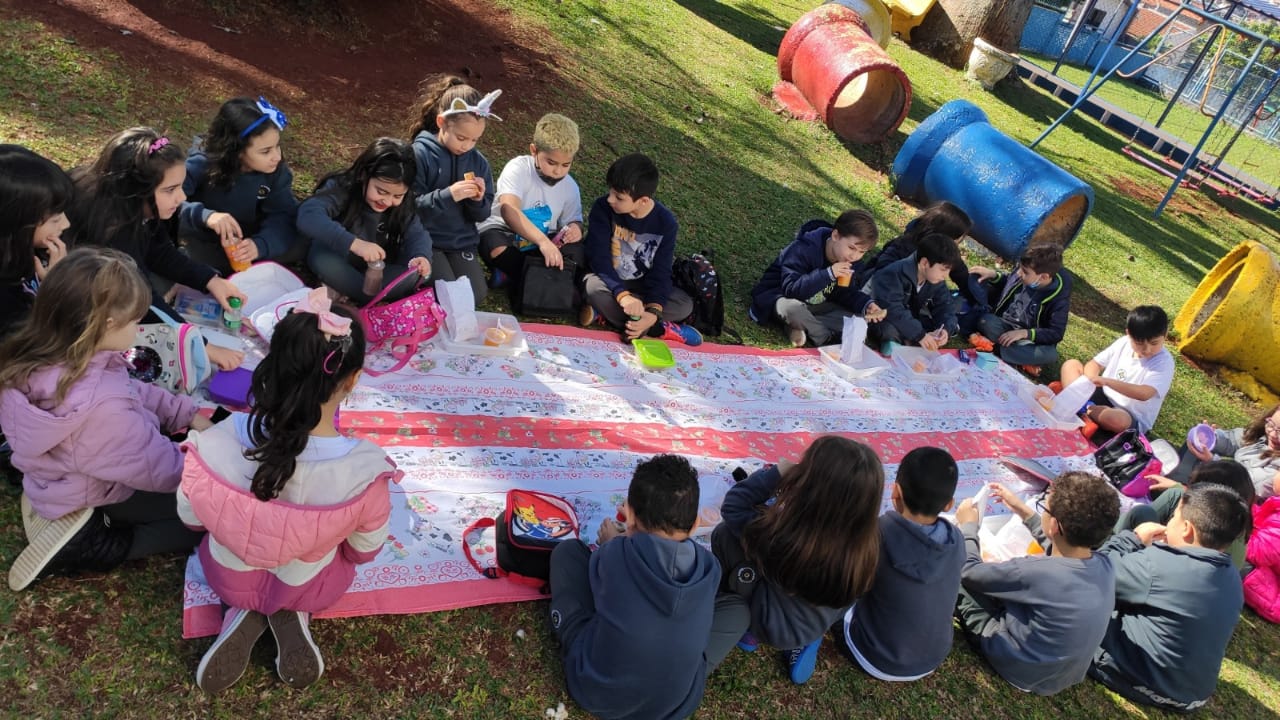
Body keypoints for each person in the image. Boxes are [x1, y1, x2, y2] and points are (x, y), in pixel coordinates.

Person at [177, 292, 394, 693]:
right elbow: (364, 550)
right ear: (353, 380)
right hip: (309, 583)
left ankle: (243, 612)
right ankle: (291, 612)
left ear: (271, 365)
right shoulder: (365, 472)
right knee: (322, 563)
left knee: (230, 553)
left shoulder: (213, 443)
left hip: (227, 576)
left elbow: (191, 519)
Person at [0, 248, 209, 591]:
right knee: (202, 518)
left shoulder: (54, 353)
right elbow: (157, 467)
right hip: (97, 489)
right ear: (107, 325)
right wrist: (214, 473)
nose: (138, 328)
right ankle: (91, 544)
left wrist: (185, 412)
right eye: (134, 321)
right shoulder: (103, 409)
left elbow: (131, 390)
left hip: (60, 474)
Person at [548, 454, 718, 720]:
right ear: (695, 524)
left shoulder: (615, 553)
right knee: (736, 611)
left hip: (596, 691)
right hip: (676, 704)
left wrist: (609, 543)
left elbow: (599, 586)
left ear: (630, 518)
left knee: (567, 553)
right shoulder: (710, 568)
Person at [706, 436, 883, 685]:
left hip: (771, 623)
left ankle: (748, 630)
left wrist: (777, 473)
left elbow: (733, 507)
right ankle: (807, 640)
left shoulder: (785, 539)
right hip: (816, 621)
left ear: (807, 484)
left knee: (725, 535)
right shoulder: (866, 545)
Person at [67, 127, 245, 371]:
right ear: (136, 191)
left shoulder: (137, 207)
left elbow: (160, 250)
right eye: (170, 190)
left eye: (181, 186)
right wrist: (201, 345)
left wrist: (210, 280)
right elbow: (141, 298)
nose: (181, 197)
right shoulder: (114, 231)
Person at [953, 473, 1118, 696]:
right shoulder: (1105, 565)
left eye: (1044, 507)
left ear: (1054, 525)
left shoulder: (1037, 572)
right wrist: (1023, 510)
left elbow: (969, 571)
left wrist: (968, 526)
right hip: (1059, 677)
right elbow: (1058, 547)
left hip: (1017, 666)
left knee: (953, 570)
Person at [1090, 484, 1249, 712]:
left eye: (1173, 516)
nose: (1169, 522)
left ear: (1186, 528)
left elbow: (1092, 573)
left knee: (1076, 605)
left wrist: (1132, 538)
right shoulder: (1231, 575)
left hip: (1145, 683)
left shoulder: (1157, 566)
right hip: (1191, 696)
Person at [838, 447, 963, 681]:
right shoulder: (957, 540)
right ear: (949, 505)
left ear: (895, 492)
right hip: (931, 660)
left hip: (872, 656)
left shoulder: (875, 534)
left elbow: (846, 583)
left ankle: (805, 641)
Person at [579, 153, 701, 346]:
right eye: (610, 192)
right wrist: (622, 296)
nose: (610, 199)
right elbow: (599, 258)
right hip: (609, 281)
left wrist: (653, 312)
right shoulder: (603, 208)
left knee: (684, 304)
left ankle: (622, 318)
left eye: (618, 197)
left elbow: (661, 272)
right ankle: (659, 329)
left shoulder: (666, 223)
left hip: (641, 287)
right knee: (592, 288)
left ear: (643, 201)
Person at [178, 96, 302, 274]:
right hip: (207, 239)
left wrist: (260, 245)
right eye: (265, 151)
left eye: (277, 146)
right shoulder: (202, 163)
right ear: (236, 151)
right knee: (191, 259)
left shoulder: (276, 172)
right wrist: (206, 216)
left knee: (301, 241)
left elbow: (283, 214)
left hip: (248, 240)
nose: (277, 157)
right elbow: (169, 202)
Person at [300, 137, 432, 305]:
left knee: (413, 273)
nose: (387, 201)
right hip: (336, 256)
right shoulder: (342, 187)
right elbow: (308, 214)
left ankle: (345, 291)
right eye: (381, 191)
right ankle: (358, 293)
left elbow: (417, 233)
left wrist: (420, 256)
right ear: (364, 174)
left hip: (377, 267)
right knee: (324, 260)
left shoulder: (403, 204)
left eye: (397, 196)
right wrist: (355, 244)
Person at [406, 74, 497, 304]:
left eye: (474, 140)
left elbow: (483, 214)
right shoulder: (420, 154)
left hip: (459, 243)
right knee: (447, 297)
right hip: (427, 240)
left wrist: (477, 200)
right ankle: (412, 282)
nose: (466, 146)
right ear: (441, 123)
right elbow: (408, 207)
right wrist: (450, 195)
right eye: (461, 138)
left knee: (474, 295)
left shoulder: (478, 163)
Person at [478, 112, 584, 299]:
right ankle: (550, 283)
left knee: (577, 252)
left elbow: (574, 221)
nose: (558, 171)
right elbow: (509, 210)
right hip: (507, 232)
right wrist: (543, 243)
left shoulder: (570, 186)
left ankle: (512, 276)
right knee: (493, 244)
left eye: (566, 165)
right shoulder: (518, 168)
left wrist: (575, 229)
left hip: (543, 241)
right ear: (534, 150)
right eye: (551, 163)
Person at [747, 210, 885, 348]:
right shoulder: (804, 248)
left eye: (861, 252)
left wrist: (866, 304)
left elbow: (844, 293)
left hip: (816, 306)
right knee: (793, 310)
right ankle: (825, 337)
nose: (854, 256)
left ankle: (797, 327)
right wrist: (828, 274)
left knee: (857, 319)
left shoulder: (852, 262)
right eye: (851, 248)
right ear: (836, 235)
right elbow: (791, 289)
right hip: (781, 297)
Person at [1057, 305, 1174, 436]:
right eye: (1139, 343)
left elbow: (1144, 393)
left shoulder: (1164, 362)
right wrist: (1090, 379)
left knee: (1118, 421)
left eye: (1154, 343)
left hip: (1128, 415)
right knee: (1071, 365)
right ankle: (1083, 409)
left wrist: (1107, 382)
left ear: (1165, 335)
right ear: (1129, 334)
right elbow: (1094, 364)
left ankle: (1079, 406)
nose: (1147, 350)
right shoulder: (1124, 343)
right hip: (1102, 396)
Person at [1118, 459, 1255, 569]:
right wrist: (1176, 486)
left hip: (1156, 567)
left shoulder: (1209, 538)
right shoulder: (1236, 523)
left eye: (1195, 488)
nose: (1189, 490)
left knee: (1141, 512)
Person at [0, 144, 71, 339]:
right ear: (15, 224)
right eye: (55, 219)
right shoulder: (6, 300)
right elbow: (33, 344)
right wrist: (56, 289)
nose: (66, 223)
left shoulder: (27, 251)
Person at [966, 244, 1072, 375]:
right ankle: (1019, 358)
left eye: (1025, 272)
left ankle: (995, 348)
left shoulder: (1059, 300)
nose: (1019, 273)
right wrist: (993, 275)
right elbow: (1008, 281)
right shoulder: (1022, 272)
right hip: (1003, 326)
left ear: (1043, 277)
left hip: (1026, 340)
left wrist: (1025, 333)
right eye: (1020, 268)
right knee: (986, 321)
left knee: (1050, 354)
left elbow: (1056, 333)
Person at [864, 200, 985, 311]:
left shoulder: (946, 252)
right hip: (882, 298)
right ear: (944, 235)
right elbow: (883, 272)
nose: (957, 245)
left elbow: (961, 275)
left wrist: (979, 302)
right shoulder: (904, 246)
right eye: (957, 240)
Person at [866, 232, 962, 351]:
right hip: (881, 316)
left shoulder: (935, 278)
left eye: (948, 271)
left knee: (931, 323)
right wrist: (920, 335)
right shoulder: (893, 273)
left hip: (908, 315)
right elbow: (892, 309)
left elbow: (945, 305)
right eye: (943, 270)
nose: (945, 276)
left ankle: (908, 341)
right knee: (886, 329)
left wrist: (945, 329)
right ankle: (895, 345)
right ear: (924, 263)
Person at [1162, 405, 1280, 500]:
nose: (1273, 434)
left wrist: (1212, 461)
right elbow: (1232, 439)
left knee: (1176, 489)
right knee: (1196, 443)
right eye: (1271, 424)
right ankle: (1175, 485)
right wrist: (1211, 437)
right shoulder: (1260, 436)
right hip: (1218, 483)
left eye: (1279, 431)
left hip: (1232, 500)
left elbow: (1248, 483)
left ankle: (1175, 493)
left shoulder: (1277, 467)